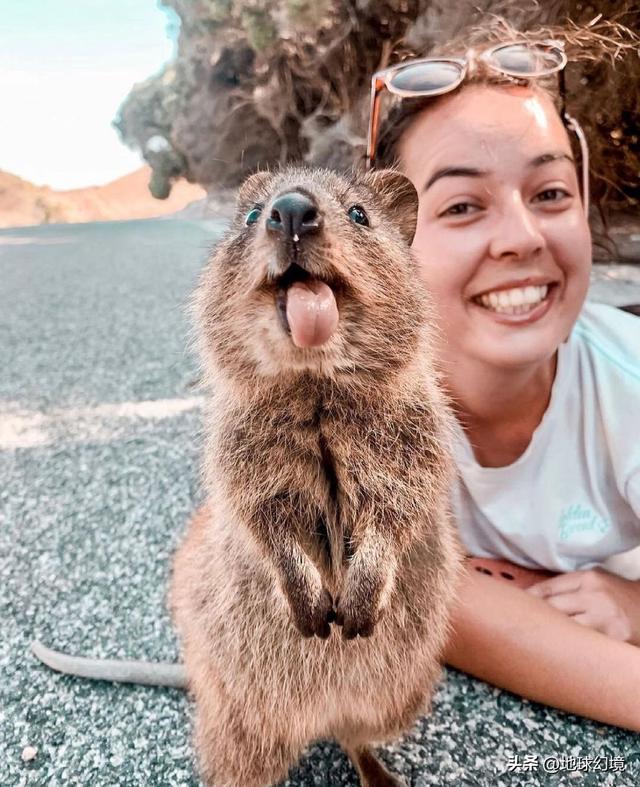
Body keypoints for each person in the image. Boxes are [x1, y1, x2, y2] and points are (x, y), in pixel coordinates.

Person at [367, 23, 640, 731]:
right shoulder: (361, 405)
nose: (522, 236)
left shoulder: (627, 383)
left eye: (550, 192)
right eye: (462, 206)